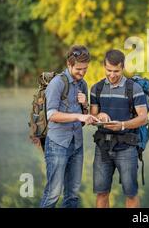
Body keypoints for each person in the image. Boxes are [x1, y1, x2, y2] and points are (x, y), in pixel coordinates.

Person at [40, 45, 99, 208]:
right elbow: (51, 115)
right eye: (79, 69)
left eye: (85, 69)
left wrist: (85, 106)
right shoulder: (57, 83)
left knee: (72, 195)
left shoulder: (83, 85)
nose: (82, 72)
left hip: (77, 145)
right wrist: (78, 115)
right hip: (57, 144)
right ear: (69, 64)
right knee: (53, 194)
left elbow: (83, 117)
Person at [90, 49, 148, 208]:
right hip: (102, 147)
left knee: (131, 193)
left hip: (127, 148)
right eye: (109, 70)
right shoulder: (96, 88)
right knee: (101, 192)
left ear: (123, 68)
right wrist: (99, 115)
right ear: (104, 66)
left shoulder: (134, 88)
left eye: (116, 71)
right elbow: (92, 115)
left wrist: (122, 125)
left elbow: (143, 118)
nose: (112, 74)